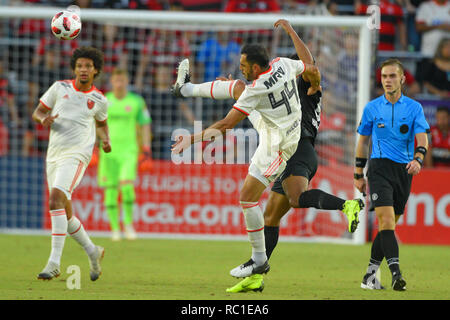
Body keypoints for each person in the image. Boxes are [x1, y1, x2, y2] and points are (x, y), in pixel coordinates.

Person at [172, 19, 363, 291]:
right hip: (286, 133)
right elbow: (309, 65)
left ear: (256, 65)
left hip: (290, 146)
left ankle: (262, 259)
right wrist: (290, 31)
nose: (241, 68)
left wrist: (191, 139)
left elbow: (228, 124)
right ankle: (257, 276)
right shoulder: (286, 67)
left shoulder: (305, 88)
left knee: (266, 198)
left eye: (244, 65)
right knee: (271, 217)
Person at [32, 46, 110, 281]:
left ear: (95, 70)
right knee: (64, 213)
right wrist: (43, 119)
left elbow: (101, 124)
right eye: (79, 66)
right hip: (54, 154)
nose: (83, 69)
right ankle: (92, 251)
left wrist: (105, 139)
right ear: (74, 68)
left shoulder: (99, 99)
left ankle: (54, 262)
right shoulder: (59, 88)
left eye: (88, 66)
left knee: (55, 199)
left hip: (77, 155)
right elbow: (37, 111)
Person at [354, 58, 430, 291]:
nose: (387, 80)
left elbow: (422, 138)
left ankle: (369, 275)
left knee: (389, 226)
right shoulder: (372, 108)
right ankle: (396, 274)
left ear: (402, 79)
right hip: (378, 169)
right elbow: (363, 140)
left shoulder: (414, 108)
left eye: (392, 76)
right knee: (386, 221)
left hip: (404, 171)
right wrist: (358, 172)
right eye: (384, 76)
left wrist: (418, 159)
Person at [97, 68, 152, 241]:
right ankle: (115, 230)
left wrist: (146, 148)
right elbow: (96, 125)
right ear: (112, 82)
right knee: (110, 193)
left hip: (129, 150)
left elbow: (145, 125)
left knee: (127, 188)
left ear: (127, 81)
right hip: (108, 151)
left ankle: (128, 224)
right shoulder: (104, 100)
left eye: (122, 80)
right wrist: (92, 147)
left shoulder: (136, 101)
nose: (119, 84)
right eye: (116, 80)